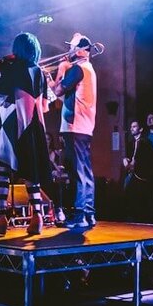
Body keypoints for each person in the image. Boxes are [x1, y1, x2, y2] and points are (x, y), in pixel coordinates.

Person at [0, 33, 50, 237]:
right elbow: (45, 106)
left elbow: (0, 97)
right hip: (35, 126)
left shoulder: (12, 69)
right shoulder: (40, 73)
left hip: (12, 124)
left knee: (2, 169)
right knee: (31, 171)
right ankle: (37, 217)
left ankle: (0, 218)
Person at [53, 34, 98, 229]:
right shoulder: (87, 69)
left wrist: (61, 70)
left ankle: (80, 215)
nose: (69, 51)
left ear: (82, 50)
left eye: (72, 47)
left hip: (74, 126)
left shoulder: (78, 69)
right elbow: (65, 96)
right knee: (84, 170)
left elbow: (57, 91)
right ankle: (88, 213)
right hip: (84, 127)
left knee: (77, 172)